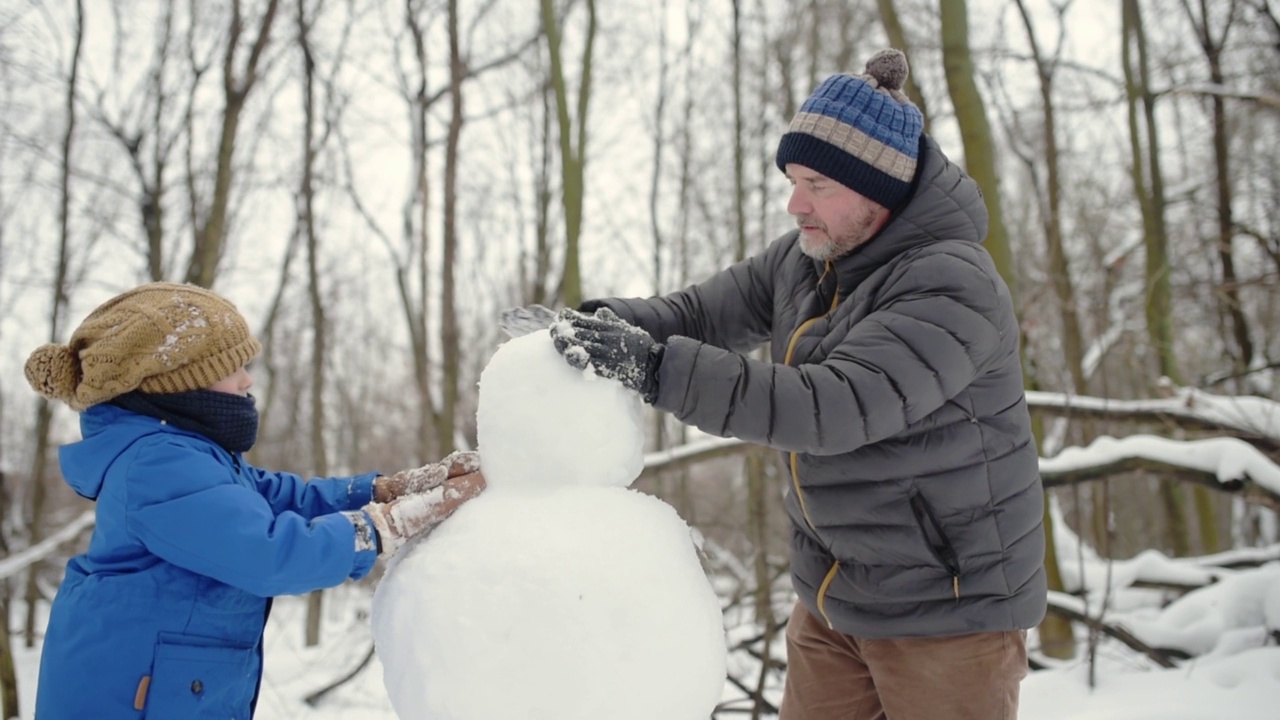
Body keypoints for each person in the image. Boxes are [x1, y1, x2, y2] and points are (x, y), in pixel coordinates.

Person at [546, 48, 1045, 719]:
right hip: (834, 595)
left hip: (947, 613)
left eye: (817, 185)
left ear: (878, 189)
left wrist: (656, 369)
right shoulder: (807, 259)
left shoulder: (952, 284)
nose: (794, 203)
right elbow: (699, 313)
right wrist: (592, 324)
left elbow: (829, 408)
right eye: (792, 179)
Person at [23, 281, 485, 720]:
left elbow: (282, 498)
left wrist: (381, 490)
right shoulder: (155, 465)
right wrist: (381, 526)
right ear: (180, 381)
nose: (247, 380)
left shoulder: (191, 453)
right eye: (231, 367)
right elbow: (269, 553)